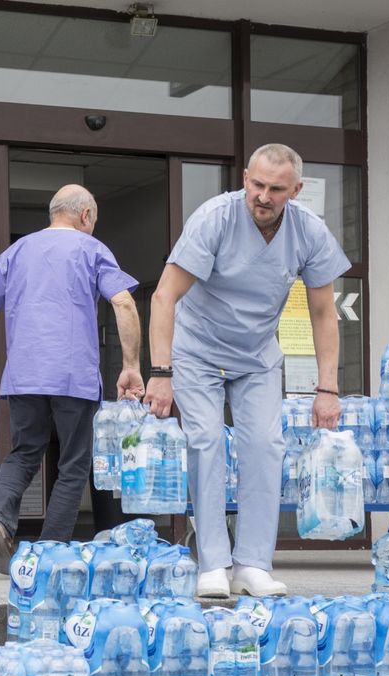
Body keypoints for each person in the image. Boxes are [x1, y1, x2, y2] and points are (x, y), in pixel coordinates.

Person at [144, 143, 351, 598]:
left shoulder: (309, 233)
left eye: (276, 189)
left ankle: (253, 564)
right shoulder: (214, 219)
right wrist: (161, 372)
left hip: (257, 355)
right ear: (244, 178)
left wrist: (327, 388)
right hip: (196, 349)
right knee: (207, 441)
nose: (263, 195)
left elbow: (322, 313)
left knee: (265, 445)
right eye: (256, 184)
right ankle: (213, 564)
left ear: (295, 190)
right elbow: (163, 297)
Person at [0, 184, 144, 574]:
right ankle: (50, 551)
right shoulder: (92, 250)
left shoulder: (17, 251)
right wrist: (131, 365)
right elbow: (122, 301)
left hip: (23, 375)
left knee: (24, 453)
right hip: (74, 376)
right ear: (85, 216)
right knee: (74, 463)